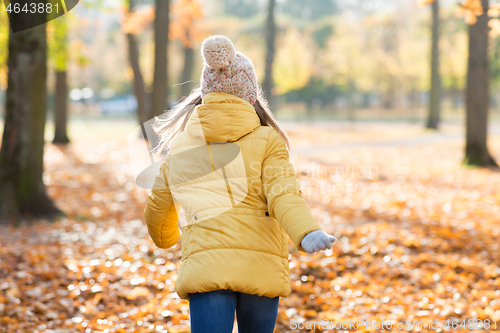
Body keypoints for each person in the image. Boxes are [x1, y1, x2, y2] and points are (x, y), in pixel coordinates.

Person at [143, 35, 336, 333]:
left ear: (205, 93)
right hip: (260, 268)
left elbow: (158, 209)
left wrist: (167, 237)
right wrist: (306, 231)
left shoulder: (182, 146)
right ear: (250, 95)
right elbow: (284, 196)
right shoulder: (268, 140)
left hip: (206, 268)